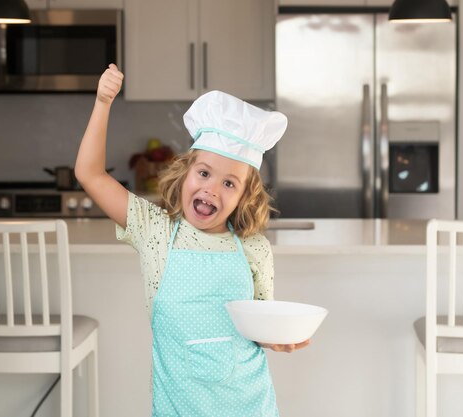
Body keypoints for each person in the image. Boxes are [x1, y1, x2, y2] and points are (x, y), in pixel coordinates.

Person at [75, 64, 309, 416]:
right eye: (203, 173)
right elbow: (90, 174)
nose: (212, 188)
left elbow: (259, 329)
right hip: (178, 407)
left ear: (245, 196)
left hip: (249, 405)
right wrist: (103, 102)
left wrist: (278, 338)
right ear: (185, 174)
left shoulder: (254, 248)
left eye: (230, 183)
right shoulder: (153, 230)